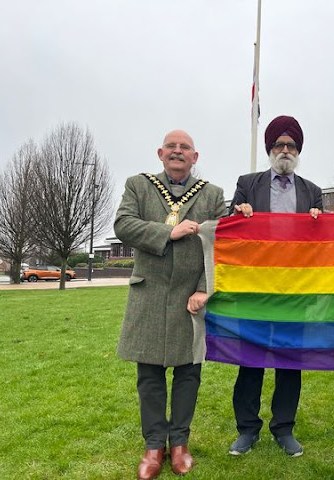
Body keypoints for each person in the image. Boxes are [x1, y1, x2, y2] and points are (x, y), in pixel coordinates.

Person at [115, 130, 227, 479]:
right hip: (149, 293)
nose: (178, 152)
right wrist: (168, 232)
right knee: (149, 375)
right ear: (161, 153)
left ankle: (179, 444)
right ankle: (153, 446)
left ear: (196, 157)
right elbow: (123, 224)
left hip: (189, 298)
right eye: (172, 147)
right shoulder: (138, 185)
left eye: (186, 148)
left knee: (188, 374)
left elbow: (220, 244)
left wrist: (203, 288)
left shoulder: (213, 194)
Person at [227, 115, 322, 457]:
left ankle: (284, 428)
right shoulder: (247, 184)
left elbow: (322, 244)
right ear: (270, 149)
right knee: (250, 361)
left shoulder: (312, 192)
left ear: (298, 151)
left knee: (289, 363)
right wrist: (239, 212)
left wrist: (318, 225)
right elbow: (231, 229)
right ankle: (247, 429)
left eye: (291, 145)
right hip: (255, 290)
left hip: (294, 293)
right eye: (280, 145)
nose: (285, 150)